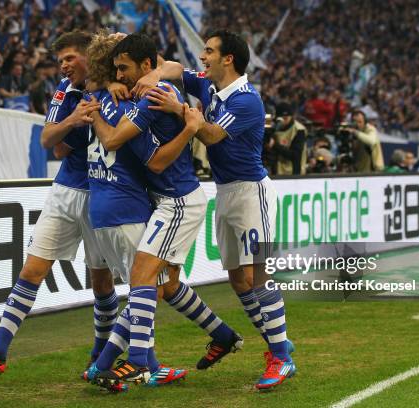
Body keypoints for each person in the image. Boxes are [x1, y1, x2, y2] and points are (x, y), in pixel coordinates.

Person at [132, 29, 295, 390]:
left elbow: (209, 135)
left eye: (208, 51)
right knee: (239, 281)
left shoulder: (247, 101)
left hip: (253, 194)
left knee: (259, 276)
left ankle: (281, 356)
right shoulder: (208, 84)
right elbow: (173, 68)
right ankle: (276, 342)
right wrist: (156, 74)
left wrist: (180, 110)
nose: (201, 56)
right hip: (225, 193)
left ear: (228, 58)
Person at [89, 33, 243, 386]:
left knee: (143, 278)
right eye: (115, 69)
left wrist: (190, 130)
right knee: (166, 284)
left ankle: (139, 361)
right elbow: (166, 69)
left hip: (178, 202)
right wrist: (117, 82)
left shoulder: (157, 96)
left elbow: (150, 160)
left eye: (124, 68)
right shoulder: (145, 90)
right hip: (168, 200)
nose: (121, 75)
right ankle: (221, 334)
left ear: (146, 65)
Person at [0, 31, 114, 375]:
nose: (63, 65)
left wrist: (68, 135)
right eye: (60, 59)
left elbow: (65, 143)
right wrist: (74, 120)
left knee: (101, 282)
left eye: (70, 58)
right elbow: (49, 140)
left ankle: (98, 356)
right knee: (32, 269)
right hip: (64, 191)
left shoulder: (118, 89)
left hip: (103, 193)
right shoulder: (65, 91)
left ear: (90, 56)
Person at [270, 102, 307, 176]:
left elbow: (295, 155)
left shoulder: (298, 130)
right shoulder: (273, 128)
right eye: (281, 118)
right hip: (275, 171)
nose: (284, 120)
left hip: (293, 173)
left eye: (286, 118)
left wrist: (275, 145)